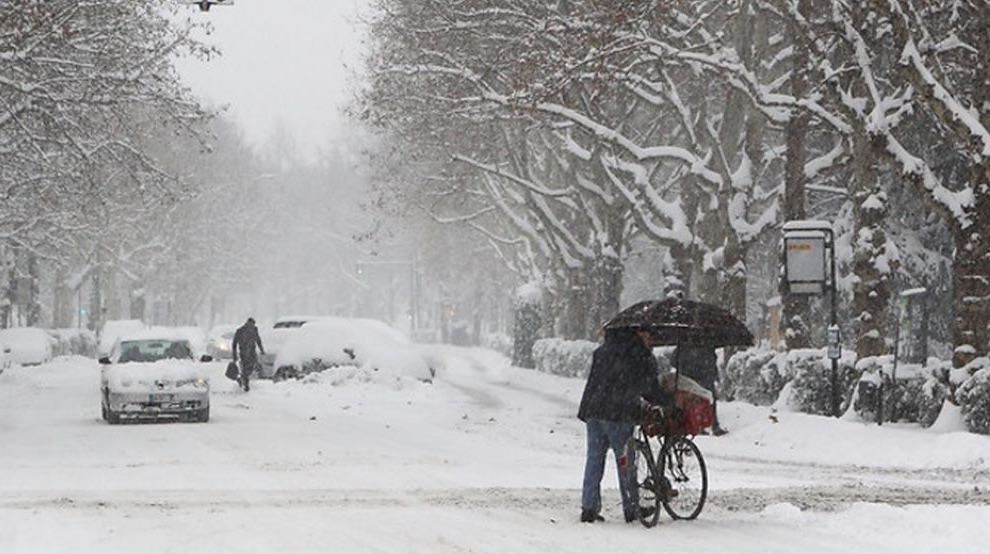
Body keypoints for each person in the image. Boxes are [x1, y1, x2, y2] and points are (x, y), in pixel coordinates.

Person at [577, 327, 670, 524]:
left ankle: (589, 507)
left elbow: (597, 381)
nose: (652, 339)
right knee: (625, 462)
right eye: (649, 334)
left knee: (594, 459)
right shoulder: (638, 354)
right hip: (619, 413)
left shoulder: (602, 351)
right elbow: (649, 388)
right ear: (639, 333)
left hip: (594, 411)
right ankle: (632, 507)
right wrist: (666, 402)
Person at [672, 345, 727, 435]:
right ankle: (711, 425)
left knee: (699, 402)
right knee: (708, 401)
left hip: (694, 378)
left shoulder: (684, 345)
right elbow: (712, 360)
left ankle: (701, 424)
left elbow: (674, 361)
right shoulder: (706, 345)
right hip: (703, 377)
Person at [232, 317, 265, 392]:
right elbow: (234, 344)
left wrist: (262, 350)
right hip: (243, 353)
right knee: (245, 369)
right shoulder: (240, 331)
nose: (251, 326)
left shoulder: (254, 330)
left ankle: (242, 380)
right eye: (250, 325)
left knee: (250, 368)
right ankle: (245, 383)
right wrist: (234, 355)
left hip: (252, 353)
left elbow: (258, 340)